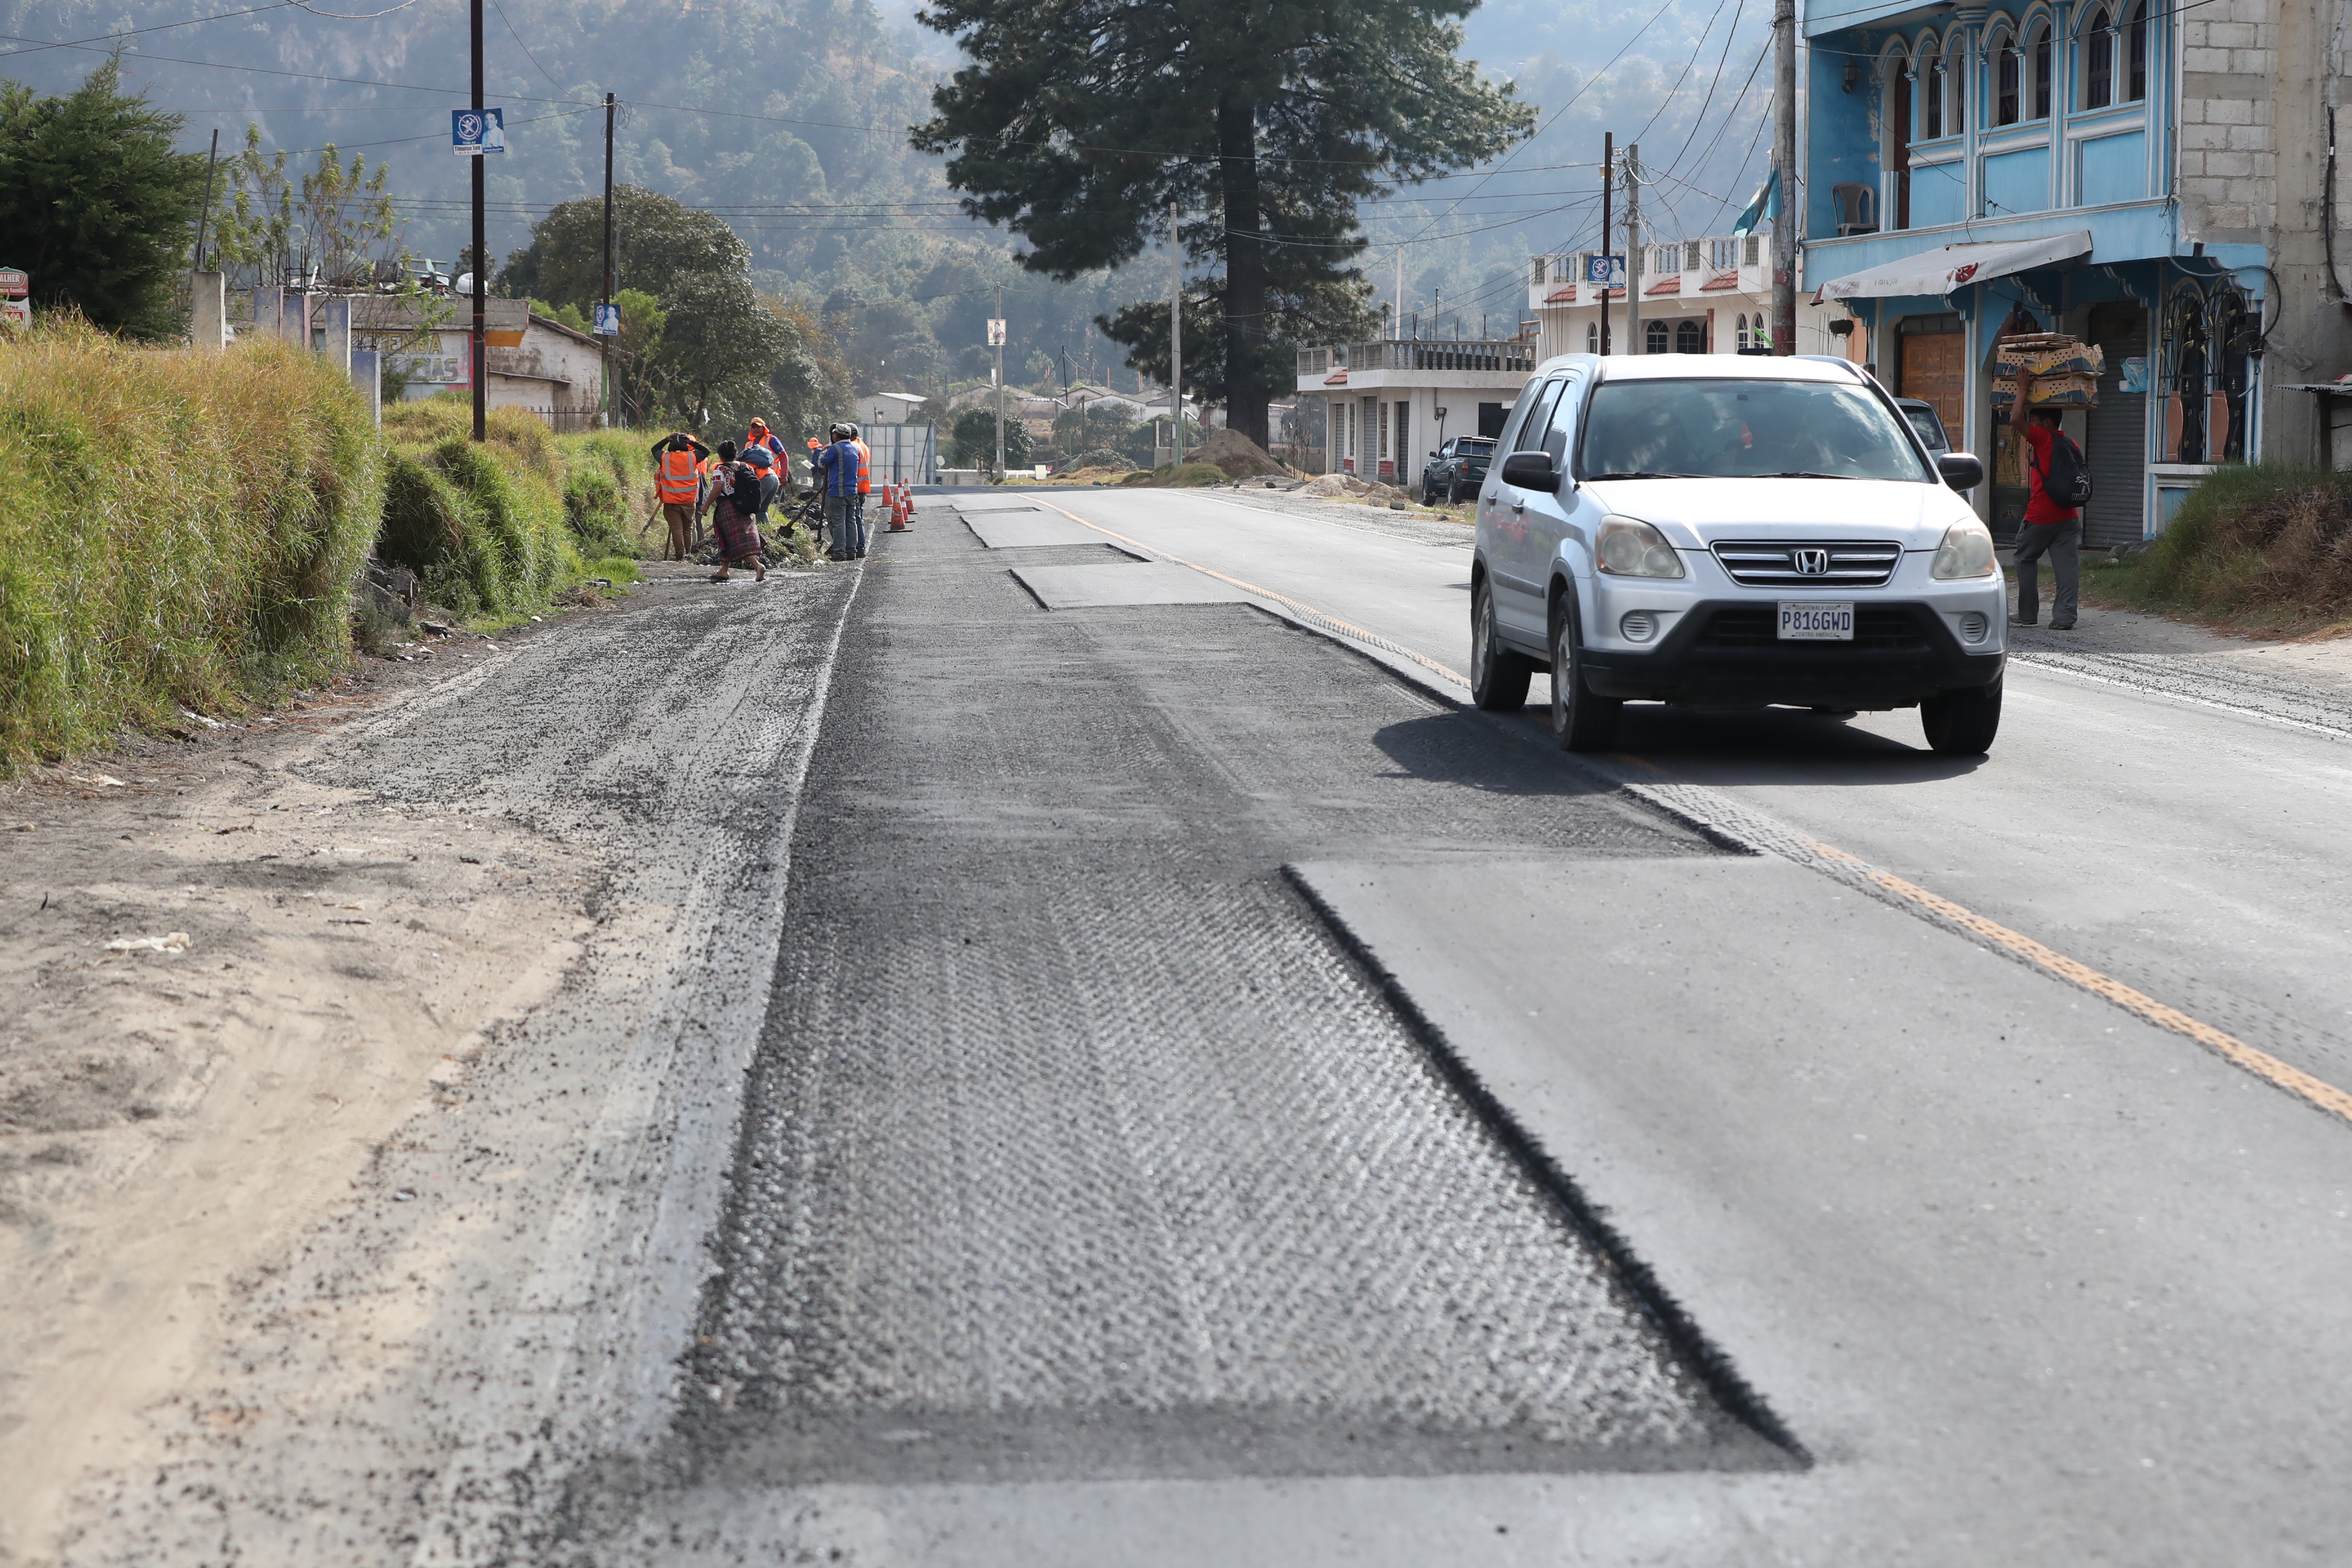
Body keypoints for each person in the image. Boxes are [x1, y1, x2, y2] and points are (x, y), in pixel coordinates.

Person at [2006, 369, 2082, 630]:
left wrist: (2022, 388)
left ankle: (2027, 614)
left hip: (2040, 516)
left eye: (2035, 421)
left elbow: (2015, 420)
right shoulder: (2072, 444)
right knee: (2067, 568)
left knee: (2024, 559)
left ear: (2046, 424)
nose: (2031, 426)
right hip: (2068, 516)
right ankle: (2064, 618)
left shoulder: (2044, 440)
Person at [705, 439, 766, 583]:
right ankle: (724, 570)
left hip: (728, 508)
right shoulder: (748, 467)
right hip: (745, 507)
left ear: (721, 455)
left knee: (731, 539)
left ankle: (757, 565)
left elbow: (717, 489)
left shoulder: (721, 469)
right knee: (738, 538)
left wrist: (706, 505)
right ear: (735, 454)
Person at [649, 431, 710, 562]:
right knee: (687, 528)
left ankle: (679, 557)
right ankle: (688, 555)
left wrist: (666, 439)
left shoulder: (664, 457)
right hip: (689, 500)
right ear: (686, 446)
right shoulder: (693, 457)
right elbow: (706, 451)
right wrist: (692, 442)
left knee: (677, 529)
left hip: (671, 500)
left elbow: (654, 449)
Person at [813, 422, 865, 560]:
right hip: (852, 490)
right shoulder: (854, 448)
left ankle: (840, 552)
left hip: (838, 490)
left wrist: (823, 452)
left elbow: (822, 463)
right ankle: (852, 552)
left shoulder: (835, 449)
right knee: (851, 521)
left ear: (836, 435)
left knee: (838, 522)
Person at [848, 422, 873, 545]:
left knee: (855, 518)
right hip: (863, 486)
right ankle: (860, 546)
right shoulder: (862, 445)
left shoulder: (853, 446)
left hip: (855, 487)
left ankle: (860, 546)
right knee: (859, 517)